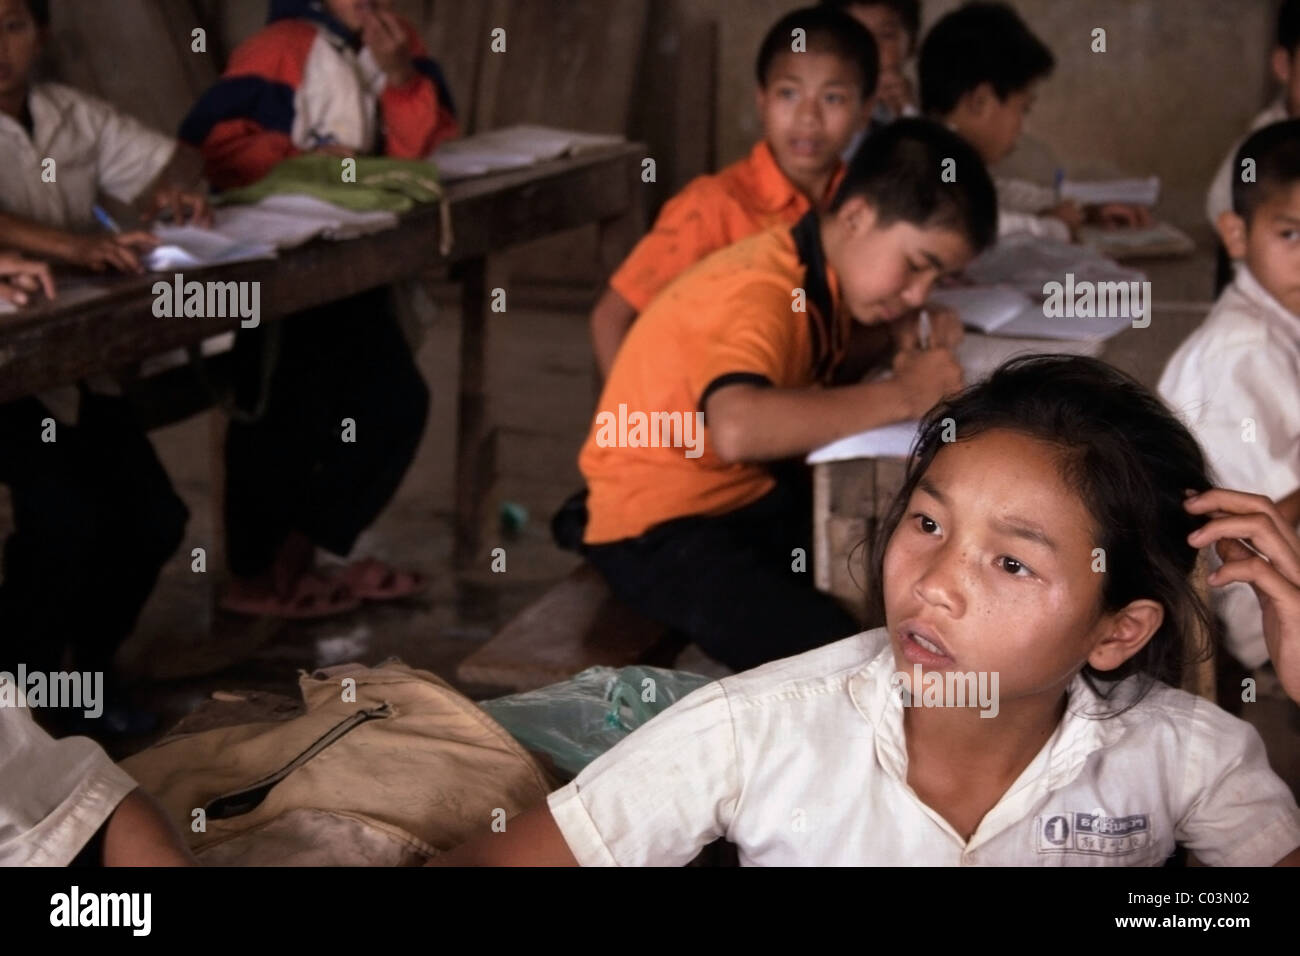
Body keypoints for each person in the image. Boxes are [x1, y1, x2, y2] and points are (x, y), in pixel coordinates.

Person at [437, 356, 1300, 866]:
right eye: (927, 522)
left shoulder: (1188, 761)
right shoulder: (752, 731)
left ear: (1119, 631)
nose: (934, 584)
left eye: (1010, 562)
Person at [575, 118, 994, 672]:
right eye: (916, 267)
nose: (919, 292)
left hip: (738, 496)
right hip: (655, 523)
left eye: (935, 282)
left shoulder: (813, 272)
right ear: (856, 216)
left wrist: (900, 332)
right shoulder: (762, 289)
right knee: (835, 663)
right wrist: (906, 394)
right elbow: (737, 427)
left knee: (890, 569)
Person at [180, 0, 458, 617]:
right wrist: (312, 167)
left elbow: (426, 154)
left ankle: (301, 554)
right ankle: (252, 576)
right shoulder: (280, 47)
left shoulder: (397, 41)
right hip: (276, 265)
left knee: (394, 405)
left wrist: (403, 78)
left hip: (354, 263)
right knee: (281, 411)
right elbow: (218, 148)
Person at [589, 5, 878, 377]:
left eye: (833, 98)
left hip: (795, 408)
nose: (808, 117)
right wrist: (635, 424)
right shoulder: (711, 206)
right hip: (711, 416)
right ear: (762, 101)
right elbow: (610, 318)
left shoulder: (859, 207)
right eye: (788, 94)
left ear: (866, 110)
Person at [1160, 118, 1300, 671]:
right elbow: (1269, 522)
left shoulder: (1282, 317)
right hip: (1262, 616)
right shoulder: (1243, 351)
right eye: (1291, 234)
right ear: (1237, 235)